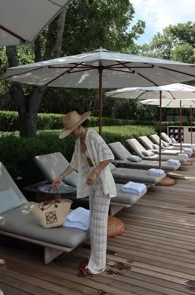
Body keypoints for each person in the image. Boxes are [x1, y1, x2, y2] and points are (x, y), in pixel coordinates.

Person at [52, 110, 117, 276]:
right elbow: (74, 164)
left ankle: (97, 264)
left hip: (102, 183)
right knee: (94, 222)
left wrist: (94, 172)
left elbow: (109, 156)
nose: (71, 133)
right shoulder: (78, 141)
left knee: (98, 224)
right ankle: (95, 260)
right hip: (92, 184)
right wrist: (60, 176)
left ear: (79, 125)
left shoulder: (93, 137)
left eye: (72, 130)